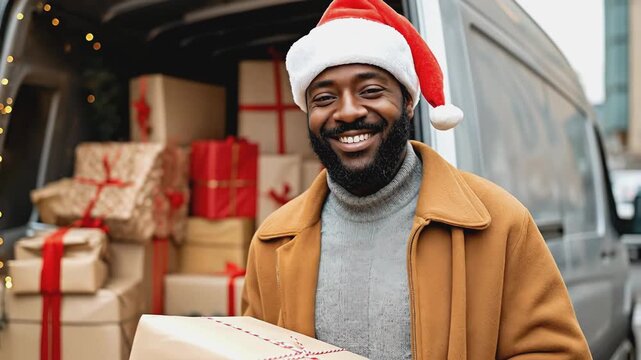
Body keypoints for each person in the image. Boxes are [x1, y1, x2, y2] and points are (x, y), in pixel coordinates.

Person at [242, 0, 592, 358]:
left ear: (408, 102)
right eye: (325, 98)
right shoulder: (273, 241)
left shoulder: (499, 223)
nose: (347, 111)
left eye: (371, 91)